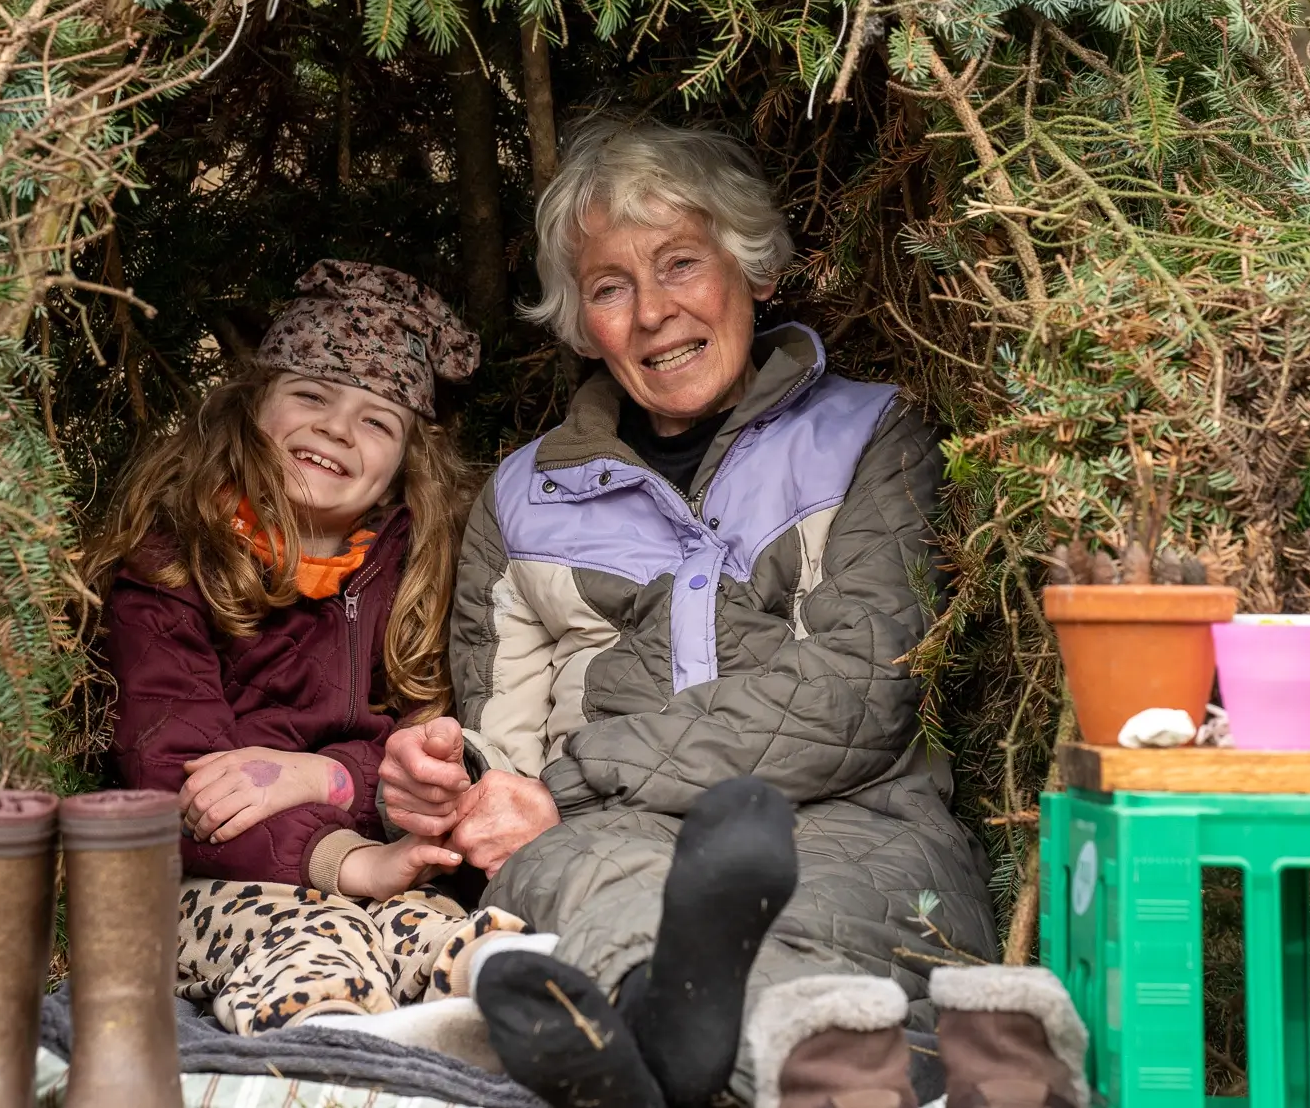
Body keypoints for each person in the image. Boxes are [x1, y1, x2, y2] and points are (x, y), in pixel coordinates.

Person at [377, 118, 1022, 1107]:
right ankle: (697, 1032)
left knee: (834, 917)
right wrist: (449, 785)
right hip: (604, 836)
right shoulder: (521, 498)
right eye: (608, 286)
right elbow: (503, 759)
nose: (650, 313)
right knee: (605, 899)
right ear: (579, 319)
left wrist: (582, 775)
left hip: (852, 818)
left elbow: (863, 694)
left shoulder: (865, 436)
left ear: (753, 270)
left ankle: (652, 1061)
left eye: (680, 263)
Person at [85, 260, 528, 1035]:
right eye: (311, 394)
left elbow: (426, 757)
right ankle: (333, 1057)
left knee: (445, 934)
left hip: (381, 871)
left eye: (376, 419)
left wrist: (318, 775)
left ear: (403, 469)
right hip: (207, 885)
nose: (334, 428)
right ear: (254, 404)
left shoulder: (414, 572)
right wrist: (342, 860)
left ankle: (525, 1020)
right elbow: (180, 784)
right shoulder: (171, 562)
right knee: (316, 944)